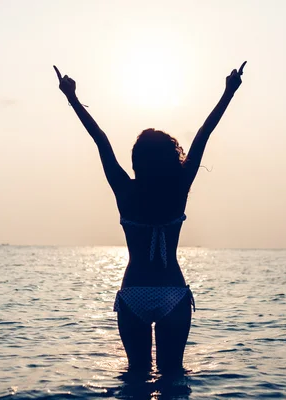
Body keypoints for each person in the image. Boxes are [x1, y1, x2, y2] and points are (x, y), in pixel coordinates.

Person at [53, 61, 246, 372]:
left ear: (136, 161)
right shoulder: (180, 187)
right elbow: (203, 134)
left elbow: (99, 139)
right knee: (173, 379)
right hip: (173, 291)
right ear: (171, 159)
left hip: (134, 293)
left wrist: (72, 97)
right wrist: (229, 92)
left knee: (136, 379)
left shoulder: (125, 191)